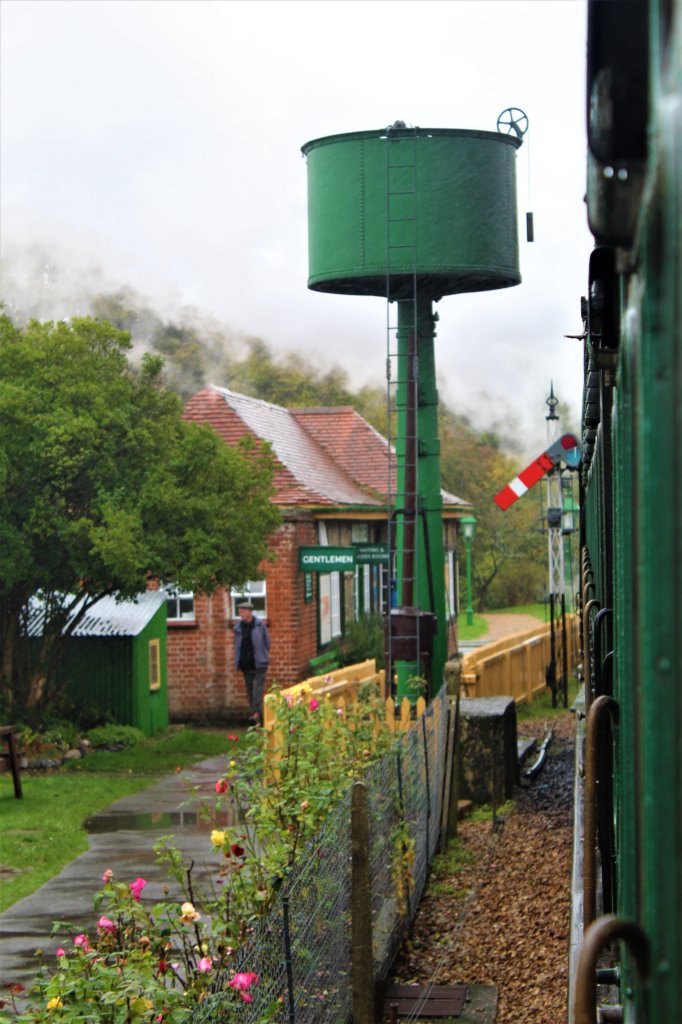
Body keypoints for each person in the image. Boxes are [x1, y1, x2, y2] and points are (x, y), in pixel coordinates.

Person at [233, 600, 270, 725]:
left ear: (249, 612)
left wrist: (263, 655)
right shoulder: (238, 628)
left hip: (259, 664)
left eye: (242, 611)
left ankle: (253, 716)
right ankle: (258, 719)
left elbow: (267, 642)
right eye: (239, 611)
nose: (240, 613)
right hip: (245, 664)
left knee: (257, 691)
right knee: (250, 692)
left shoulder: (260, 625)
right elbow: (237, 645)